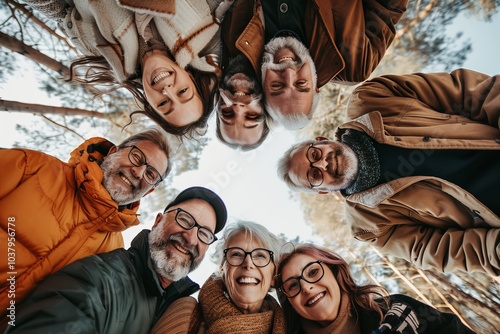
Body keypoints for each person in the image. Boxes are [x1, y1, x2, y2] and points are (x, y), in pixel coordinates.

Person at [277, 68, 500, 276]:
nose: (323, 165)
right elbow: (436, 250)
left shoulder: (372, 98)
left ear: (321, 140)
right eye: (314, 176)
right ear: (322, 191)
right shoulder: (369, 226)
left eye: (314, 155)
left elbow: (465, 92)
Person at [0, 128, 171, 325]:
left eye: (150, 174)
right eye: (136, 156)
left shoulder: (114, 252)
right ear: (113, 152)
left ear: (149, 191)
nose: (138, 172)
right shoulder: (34, 168)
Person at [4, 186, 228, 334]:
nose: (190, 237)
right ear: (158, 221)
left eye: (204, 234)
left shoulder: (181, 309)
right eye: (184, 219)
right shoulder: (100, 279)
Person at [24, 0, 234, 138]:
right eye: (183, 92)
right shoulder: (202, 19)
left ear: (150, 104)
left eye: (163, 103)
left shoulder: (100, 51)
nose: (167, 90)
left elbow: (61, 11)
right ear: (191, 76)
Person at [216, 0, 408, 145]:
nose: (289, 73)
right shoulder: (354, 64)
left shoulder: (236, 41)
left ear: (263, 86)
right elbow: (388, 7)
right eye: (301, 85)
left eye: (277, 86)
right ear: (317, 87)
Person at [276, 243, 475, 334]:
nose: (306, 287)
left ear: (335, 272)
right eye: (292, 285)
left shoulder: (397, 310)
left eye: (312, 272)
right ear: (290, 303)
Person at [149, 220, 287, 334]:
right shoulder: (186, 313)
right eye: (237, 254)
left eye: (260, 256)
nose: (248, 263)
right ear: (222, 270)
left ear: (274, 276)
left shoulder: (291, 327)